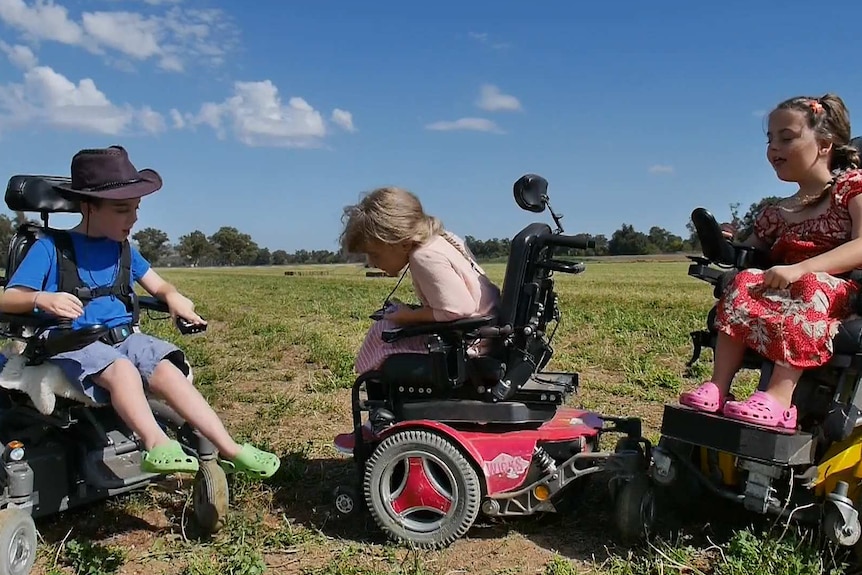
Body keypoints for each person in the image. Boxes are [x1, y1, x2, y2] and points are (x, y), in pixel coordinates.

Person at [0, 146, 280, 478]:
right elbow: (9, 298)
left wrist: (174, 298)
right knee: (123, 371)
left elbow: (159, 286)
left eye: (136, 209)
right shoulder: (50, 248)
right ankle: (156, 442)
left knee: (166, 370)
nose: (133, 219)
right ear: (88, 206)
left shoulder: (123, 251)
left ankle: (231, 449)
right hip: (72, 341)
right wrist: (42, 300)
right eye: (122, 210)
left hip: (123, 339)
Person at [679, 94, 862, 432]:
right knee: (745, 279)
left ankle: (780, 400)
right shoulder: (779, 211)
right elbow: (749, 251)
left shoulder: (851, 188)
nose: (773, 148)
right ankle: (718, 387)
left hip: (838, 294)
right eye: (770, 139)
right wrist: (725, 244)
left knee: (809, 284)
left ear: (824, 144)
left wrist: (802, 269)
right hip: (787, 289)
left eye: (787, 138)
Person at [339, 186, 502, 374]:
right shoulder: (442, 240)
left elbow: (458, 309)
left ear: (403, 242)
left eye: (374, 254)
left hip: (471, 344)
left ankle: (378, 392)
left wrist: (408, 317)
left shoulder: (423, 257)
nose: (371, 262)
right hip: (484, 332)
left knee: (381, 335)